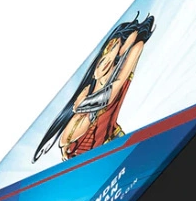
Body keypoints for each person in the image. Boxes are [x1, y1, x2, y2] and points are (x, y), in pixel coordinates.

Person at [32, 13, 155, 162]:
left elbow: (109, 95)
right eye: (113, 46)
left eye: (121, 46)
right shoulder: (100, 68)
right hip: (83, 145)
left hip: (104, 141)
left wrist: (82, 105)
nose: (115, 50)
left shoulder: (131, 52)